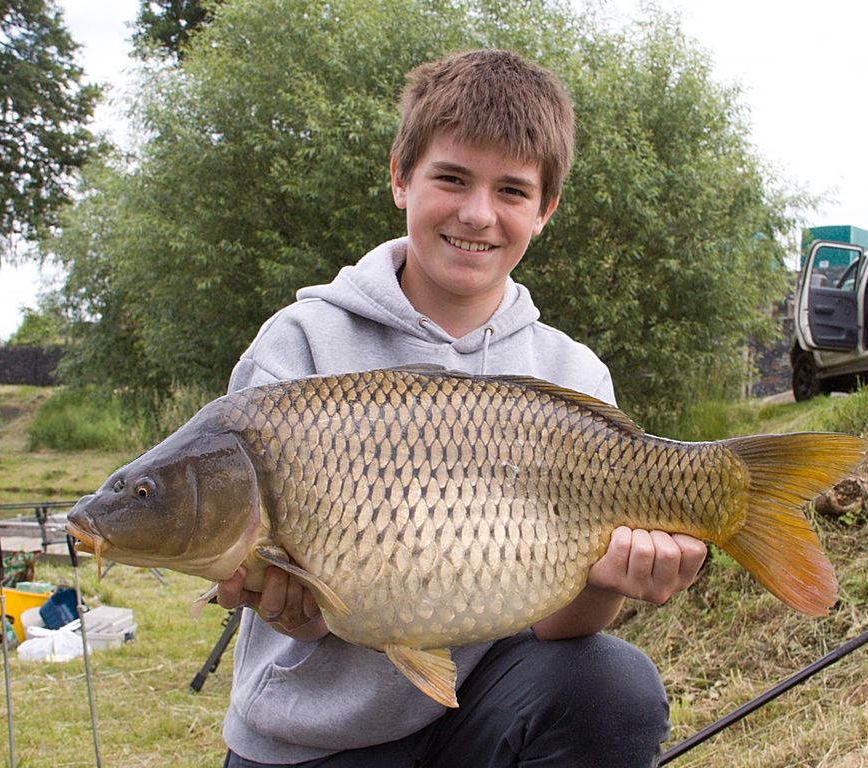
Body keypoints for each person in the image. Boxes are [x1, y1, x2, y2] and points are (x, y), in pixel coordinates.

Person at [217, 48, 709, 767]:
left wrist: (608, 585)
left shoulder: (569, 372)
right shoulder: (300, 345)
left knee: (613, 683)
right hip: (312, 740)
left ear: (544, 211)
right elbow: (274, 583)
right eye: (451, 178)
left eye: (512, 191)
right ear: (400, 176)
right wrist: (290, 602)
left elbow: (557, 630)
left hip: (481, 721)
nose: (478, 214)